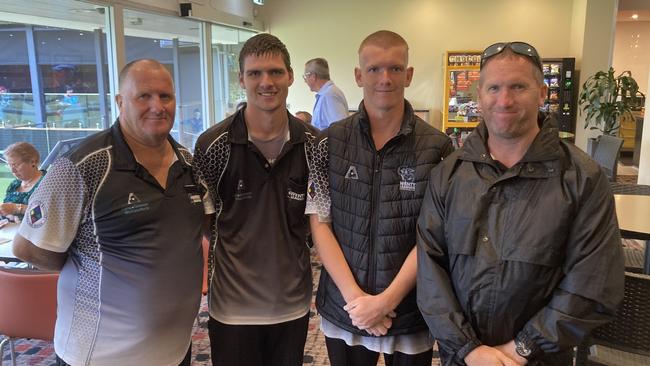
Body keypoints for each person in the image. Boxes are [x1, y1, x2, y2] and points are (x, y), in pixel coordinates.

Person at [416, 42, 625, 366]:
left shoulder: (582, 178)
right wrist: (468, 348)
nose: (504, 100)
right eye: (494, 88)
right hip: (461, 358)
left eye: (518, 86)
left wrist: (522, 348)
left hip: (539, 358)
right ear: (478, 96)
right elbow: (430, 269)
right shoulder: (449, 174)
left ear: (542, 93)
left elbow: (594, 284)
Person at [13, 59, 204, 366]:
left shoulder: (188, 162)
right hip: (100, 355)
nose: (157, 106)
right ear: (120, 102)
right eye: (144, 96)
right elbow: (27, 247)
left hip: (174, 351)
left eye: (165, 96)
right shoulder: (81, 166)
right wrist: (85, 266)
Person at [305, 30, 453, 366]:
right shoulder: (329, 143)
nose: (385, 78)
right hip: (346, 308)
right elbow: (320, 223)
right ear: (358, 75)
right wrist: (357, 299)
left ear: (409, 74)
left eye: (395, 68)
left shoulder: (438, 148)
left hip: (409, 310)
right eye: (374, 69)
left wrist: (386, 301)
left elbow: (434, 235)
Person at [193, 33, 318, 366]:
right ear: (241, 79)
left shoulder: (314, 144)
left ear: (291, 76)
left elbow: (315, 221)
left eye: (276, 72)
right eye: (255, 73)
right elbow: (207, 223)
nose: (267, 82)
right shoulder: (212, 145)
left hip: (292, 301)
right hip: (232, 307)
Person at [0, 142, 44, 221]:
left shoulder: (47, 183)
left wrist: (17, 208)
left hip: (32, 232)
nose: (13, 170)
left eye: (15, 165)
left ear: (32, 162)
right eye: (9, 165)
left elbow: (48, 214)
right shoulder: (14, 184)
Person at [303, 57, 349, 129]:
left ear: (313, 77)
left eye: (305, 77)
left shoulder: (329, 95)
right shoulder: (326, 94)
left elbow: (340, 131)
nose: (305, 81)